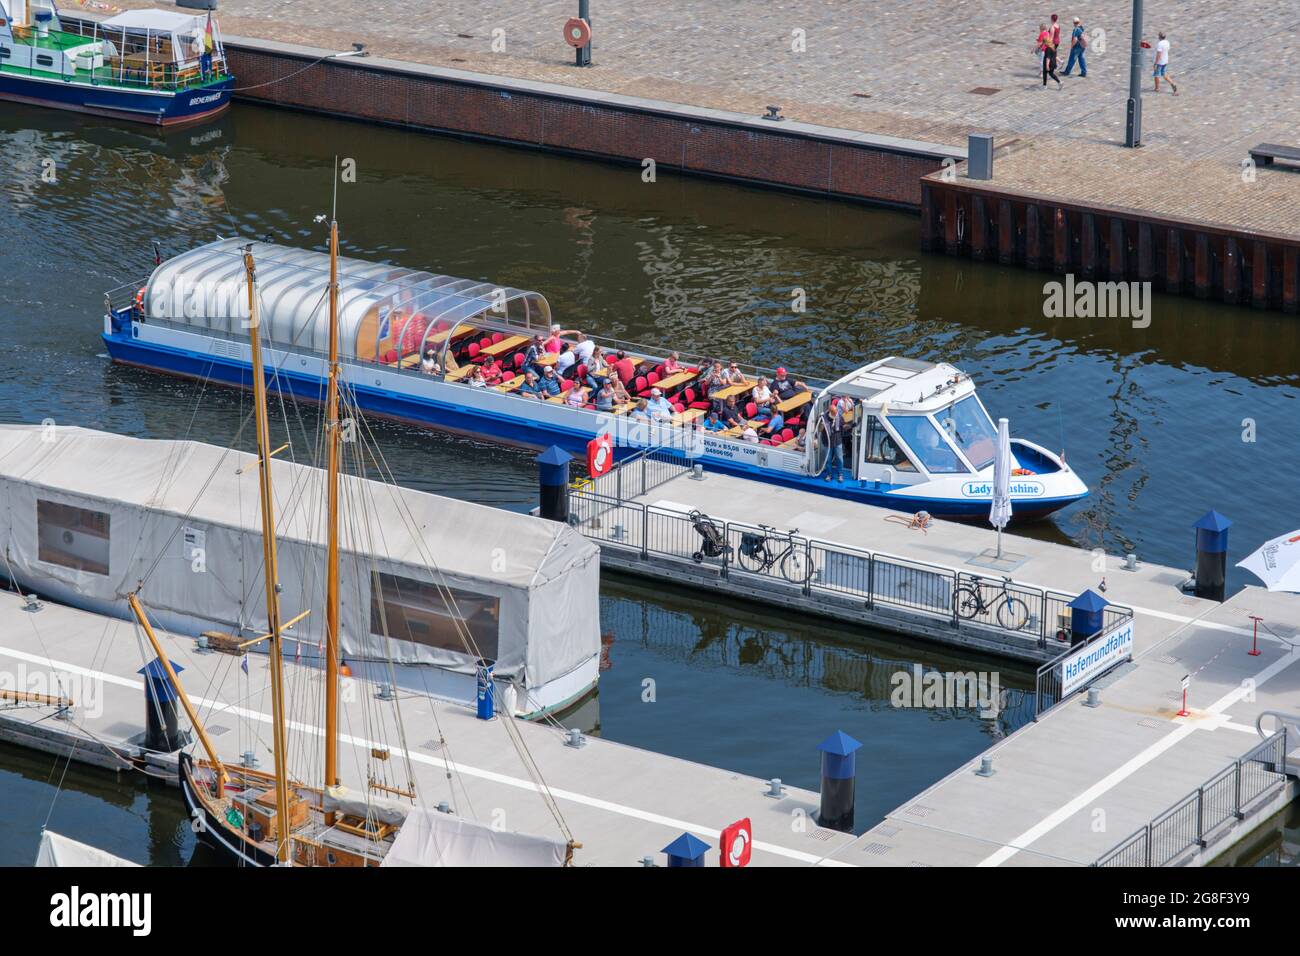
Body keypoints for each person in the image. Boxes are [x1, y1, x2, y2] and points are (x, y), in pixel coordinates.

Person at [822, 398, 847, 481]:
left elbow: (843, 428)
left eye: (836, 413)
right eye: (833, 413)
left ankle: (840, 474)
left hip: (837, 441)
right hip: (827, 442)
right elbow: (818, 429)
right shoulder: (823, 418)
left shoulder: (839, 417)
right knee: (828, 460)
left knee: (839, 459)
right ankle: (829, 474)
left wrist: (850, 426)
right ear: (830, 412)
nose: (835, 415)